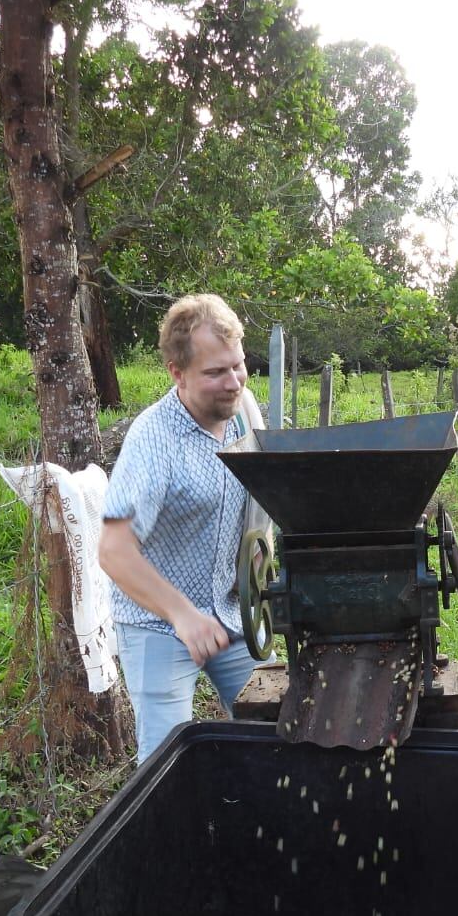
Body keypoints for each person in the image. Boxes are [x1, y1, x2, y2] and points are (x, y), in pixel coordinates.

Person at [100, 293, 267, 762]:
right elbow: (113, 551)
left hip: (233, 614)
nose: (234, 382)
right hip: (159, 623)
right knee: (165, 760)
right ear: (177, 372)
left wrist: (257, 561)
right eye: (216, 373)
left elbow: (258, 505)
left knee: (275, 729)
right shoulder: (153, 442)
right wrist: (182, 615)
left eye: (238, 365)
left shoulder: (246, 414)